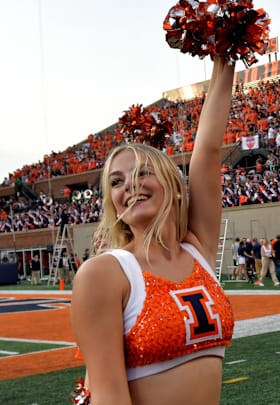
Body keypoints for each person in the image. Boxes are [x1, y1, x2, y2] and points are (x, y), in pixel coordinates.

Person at [71, 58, 235, 404]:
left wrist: (226, 58)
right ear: (112, 201)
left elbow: (207, 151)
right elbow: (109, 397)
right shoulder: (104, 273)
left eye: (143, 172)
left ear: (175, 187)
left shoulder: (197, 248)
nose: (129, 185)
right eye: (116, 182)